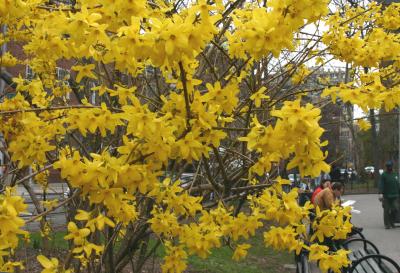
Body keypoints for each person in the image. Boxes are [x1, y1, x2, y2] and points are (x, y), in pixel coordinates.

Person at [379, 160, 400, 229]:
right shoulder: (384, 175)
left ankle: (392, 222)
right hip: (386, 196)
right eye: (388, 166)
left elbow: (398, 184)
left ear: (392, 166)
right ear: (386, 167)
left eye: (390, 166)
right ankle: (387, 224)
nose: (389, 167)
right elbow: (381, 185)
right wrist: (380, 193)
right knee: (386, 210)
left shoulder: (395, 174)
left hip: (395, 195)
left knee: (396, 209)